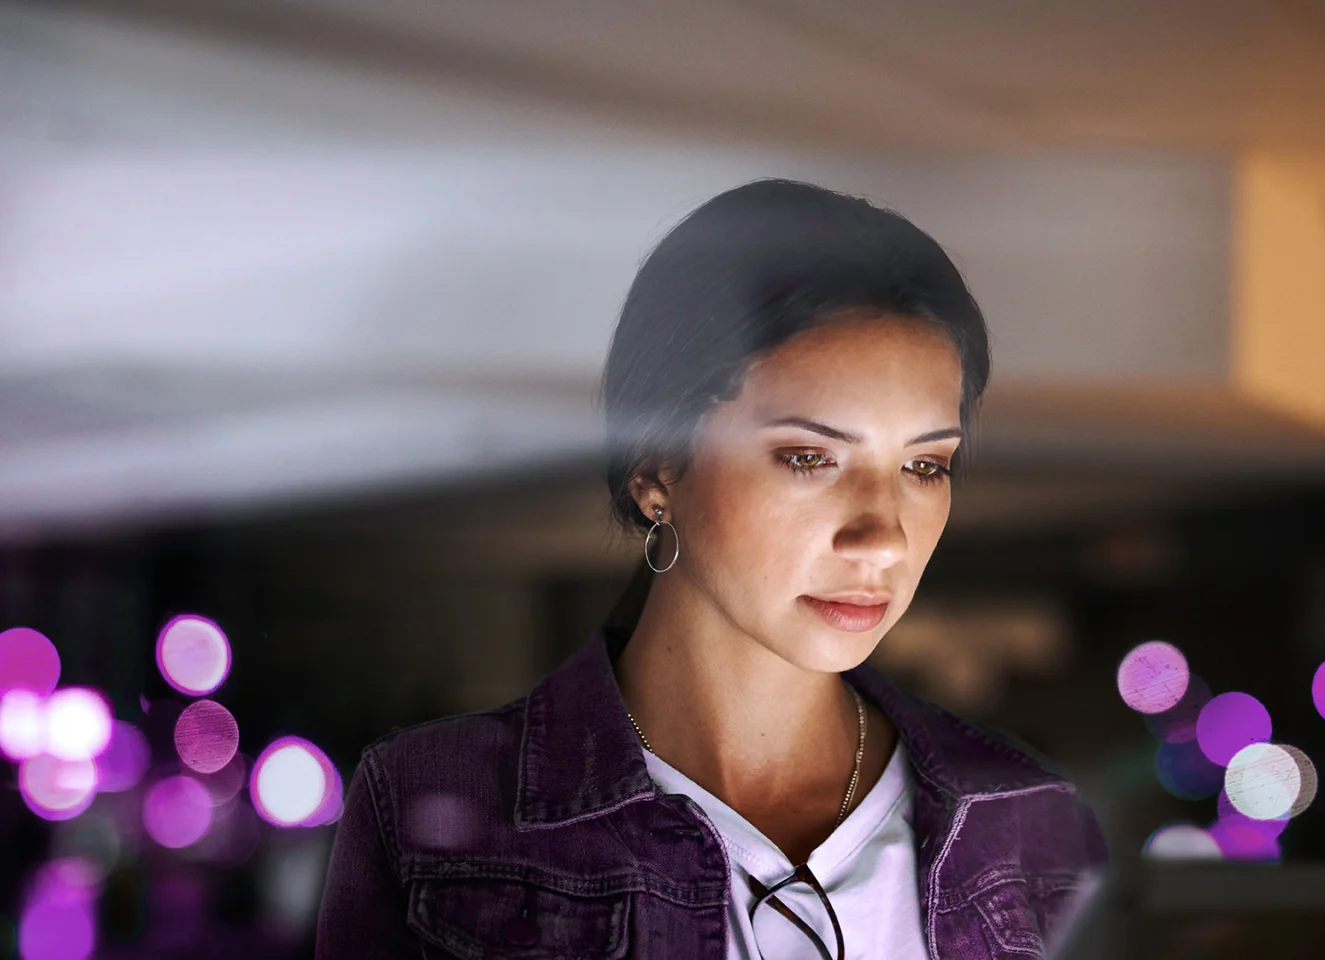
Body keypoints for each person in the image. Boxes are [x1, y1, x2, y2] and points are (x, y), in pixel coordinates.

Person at [315, 179, 1107, 959]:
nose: (882, 538)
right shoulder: (432, 805)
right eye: (810, 457)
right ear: (657, 468)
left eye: (925, 467)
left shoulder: (1029, 823)